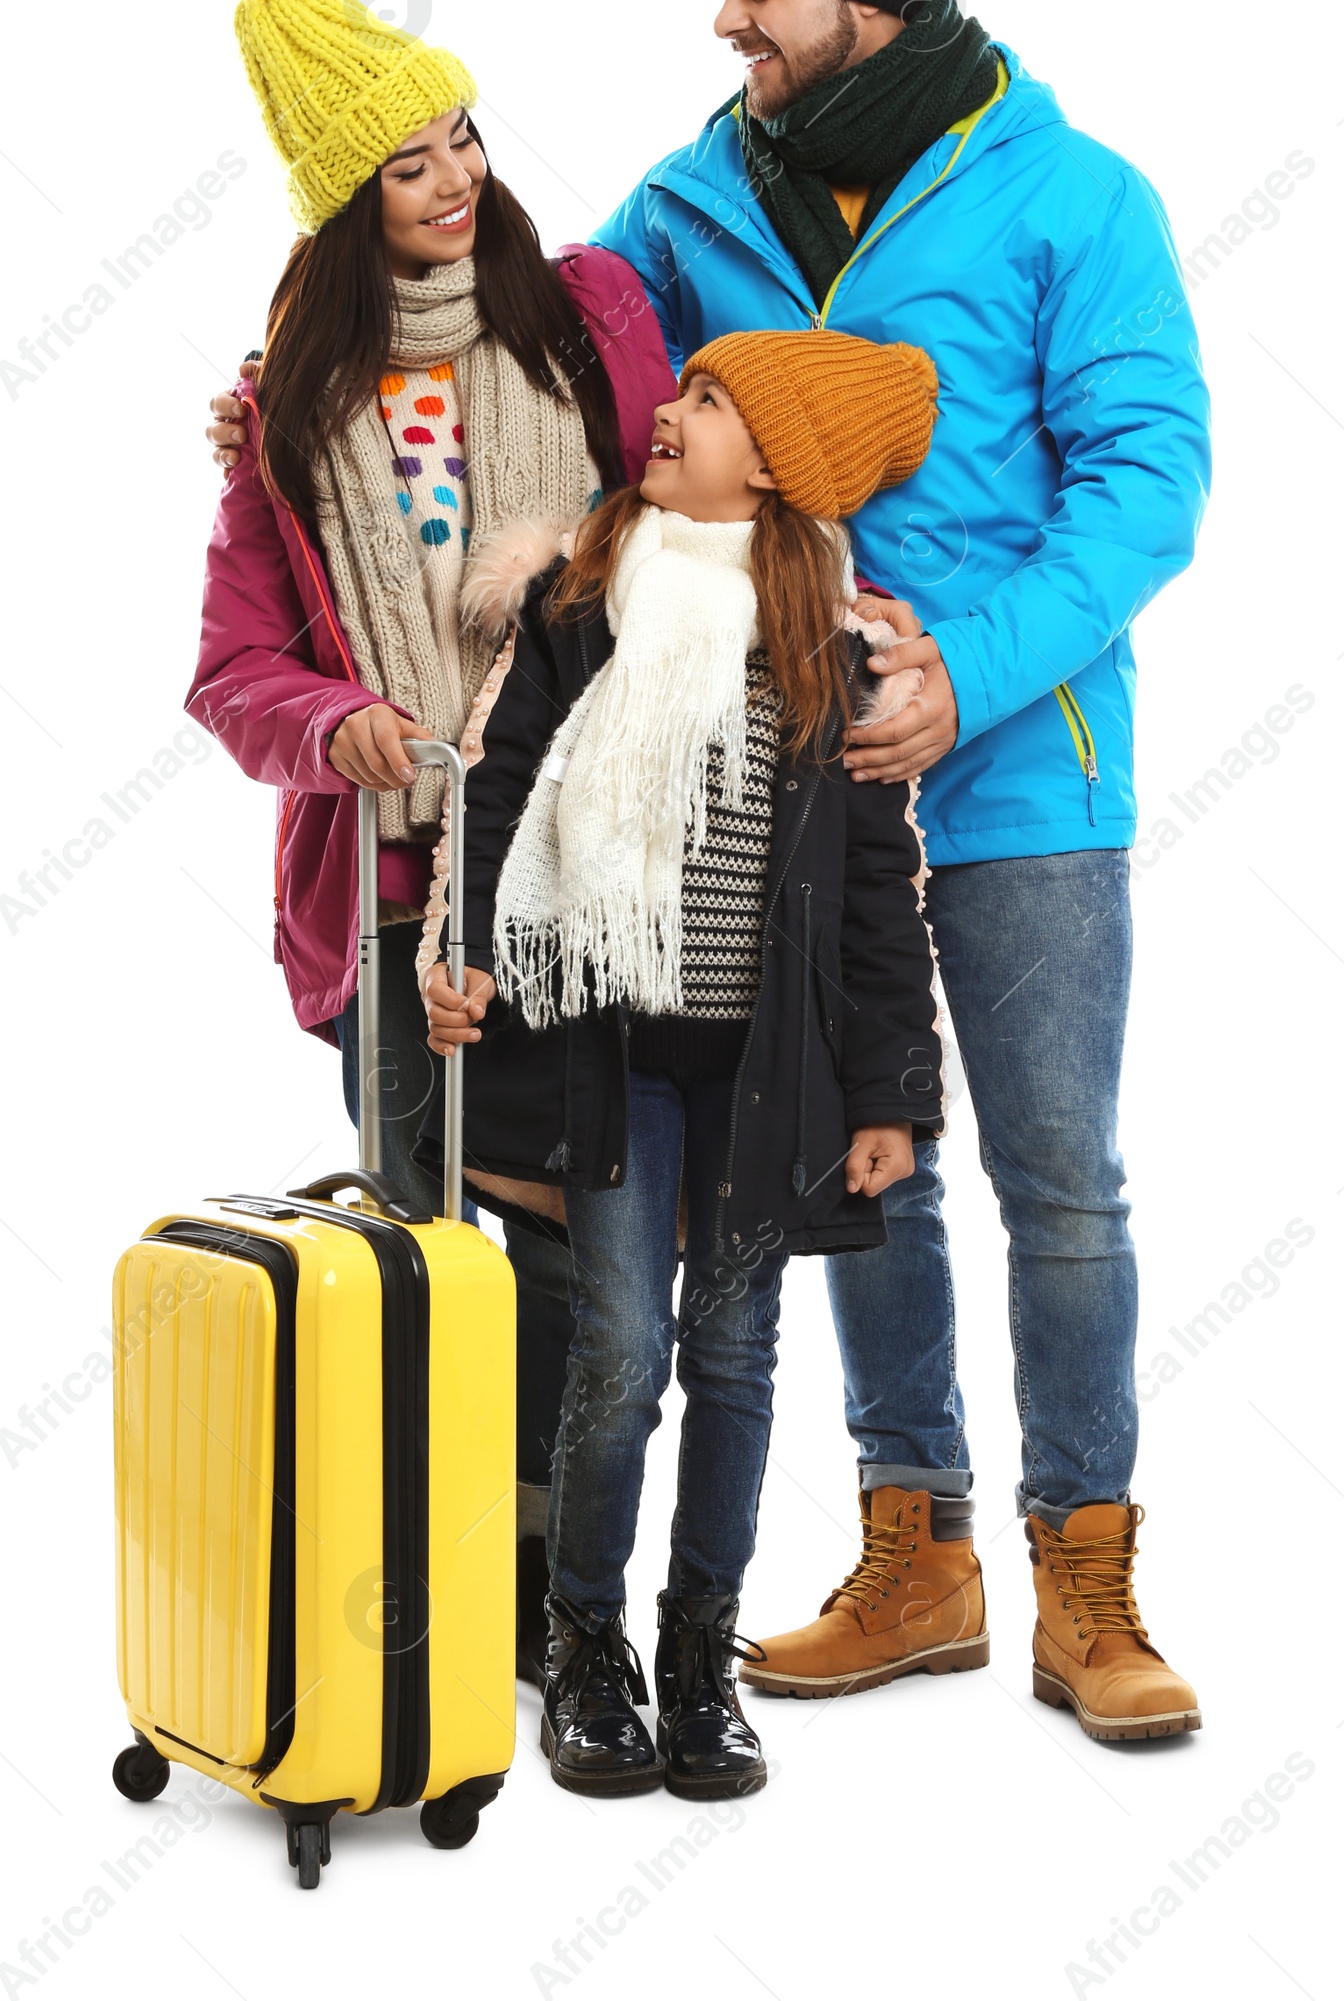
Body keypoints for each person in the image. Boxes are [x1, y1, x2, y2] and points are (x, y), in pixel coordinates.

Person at [590, 0, 1210, 1742]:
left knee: (1058, 1175)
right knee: (856, 1157)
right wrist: (327, 362)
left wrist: (978, 668)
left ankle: (1085, 1580)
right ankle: (913, 1545)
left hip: (1028, 767)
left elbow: (1145, 478)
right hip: (781, 774)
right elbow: (562, 359)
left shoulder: (1071, 191)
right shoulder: (684, 200)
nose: (722, 21)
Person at [185, 0, 672, 1685]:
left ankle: (562, 1591)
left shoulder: (589, 309)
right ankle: (434, 1589)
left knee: (574, 1257)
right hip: (395, 897)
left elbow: (676, 525)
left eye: (461, 134)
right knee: (420, 1246)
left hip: (584, 864)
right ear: (348, 201)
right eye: (406, 162)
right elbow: (232, 674)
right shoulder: (293, 414)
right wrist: (346, 727)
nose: (454, 177)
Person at [421, 327, 947, 1799]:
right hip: (616, 1064)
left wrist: (895, 1092)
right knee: (624, 1356)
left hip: (762, 1079)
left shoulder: (823, 649)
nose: (669, 411)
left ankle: (698, 1652)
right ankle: (584, 1637)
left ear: (772, 465)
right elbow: (505, 781)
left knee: (732, 1359)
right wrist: (458, 944)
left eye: (710, 405)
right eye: (683, 389)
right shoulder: (584, 598)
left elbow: (866, 886)